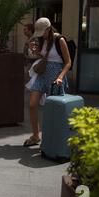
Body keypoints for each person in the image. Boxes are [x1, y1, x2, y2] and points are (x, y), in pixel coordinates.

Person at [24, 17, 72, 147]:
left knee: (53, 110)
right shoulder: (41, 39)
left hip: (56, 75)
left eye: (42, 33)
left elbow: (68, 62)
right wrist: (35, 51)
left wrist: (60, 77)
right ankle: (35, 135)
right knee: (32, 104)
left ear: (49, 29)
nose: (41, 36)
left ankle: (54, 137)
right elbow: (44, 56)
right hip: (43, 74)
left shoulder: (59, 40)